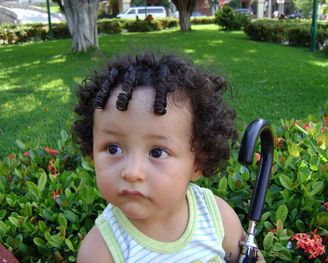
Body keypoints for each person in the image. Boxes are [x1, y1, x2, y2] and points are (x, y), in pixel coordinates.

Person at [73, 52, 265, 263]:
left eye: (157, 152)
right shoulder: (100, 251)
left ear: (199, 161)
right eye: (113, 149)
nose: (132, 172)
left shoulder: (216, 217)